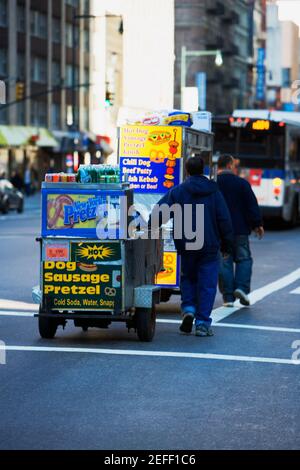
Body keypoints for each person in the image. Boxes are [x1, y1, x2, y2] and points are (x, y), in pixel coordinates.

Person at [149, 156, 233, 337]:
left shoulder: (178, 191)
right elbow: (224, 219)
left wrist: (147, 226)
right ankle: (202, 323)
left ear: (187, 170)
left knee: (188, 277)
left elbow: (159, 212)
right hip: (209, 245)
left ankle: (188, 308)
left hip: (186, 243)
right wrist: (227, 245)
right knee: (207, 283)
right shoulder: (214, 192)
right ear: (204, 169)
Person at [217, 154, 264, 307]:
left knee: (224, 261)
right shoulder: (242, 184)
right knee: (244, 259)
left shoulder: (213, 184)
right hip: (240, 229)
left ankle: (228, 297)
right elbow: (251, 205)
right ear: (230, 165)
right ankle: (241, 288)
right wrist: (257, 224)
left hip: (220, 230)